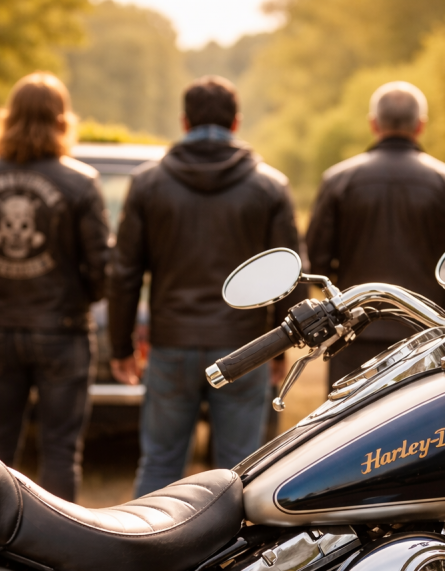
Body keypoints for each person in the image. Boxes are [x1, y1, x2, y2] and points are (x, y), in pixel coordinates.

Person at [109, 75, 301, 497]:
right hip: (245, 348)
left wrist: (120, 347)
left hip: (171, 344)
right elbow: (290, 273)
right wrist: (281, 345)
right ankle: (237, 564)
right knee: (241, 471)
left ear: (183, 121)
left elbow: (124, 272)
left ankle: (145, 556)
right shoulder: (270, 186)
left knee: (160, 462)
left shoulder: (147, 184)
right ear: (236, 123)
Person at [0, 72, 110, 502]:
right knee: (61, 450)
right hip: (64, 331)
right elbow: (101, 268)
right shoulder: (81, 181)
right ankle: (62, 554)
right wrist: (81, 298)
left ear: (9, 117)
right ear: (63, 120)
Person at [306, 81, 445, 386]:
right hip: (425, 335)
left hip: (352, 334)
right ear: (420, 125)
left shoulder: (338, 181)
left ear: (374, 123)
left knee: (347, 428)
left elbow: (316, 261)